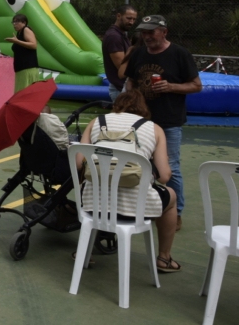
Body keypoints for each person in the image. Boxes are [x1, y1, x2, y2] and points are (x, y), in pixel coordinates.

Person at [75, 89, 180, 273]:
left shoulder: (96, 122)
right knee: (171, 196)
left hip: (94, 206)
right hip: (136, 210)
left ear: (116, 105)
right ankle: (164, 257)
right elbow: (164, 176)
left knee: (99, 188)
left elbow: (78, 162)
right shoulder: (154, 129)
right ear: (143, 108)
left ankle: (85, 251)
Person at [121, 15, 202, 231]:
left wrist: (171, 87)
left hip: (169, 121)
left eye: (151, 32)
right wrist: (131, 100)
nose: (146, 36)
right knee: (137, 164)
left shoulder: (179, 54)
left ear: (164, 32)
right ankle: (141, 207)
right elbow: (130, 81)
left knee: (171, 167)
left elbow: (196, 85)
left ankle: (176, 212)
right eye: (143, 32)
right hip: (141, 122)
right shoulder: (138, 53)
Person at [103, 5, 137, 102]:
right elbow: (122, 68)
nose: (131, 22)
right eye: (129, 18)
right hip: (120, 89)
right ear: (118, 16)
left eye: (134, 19)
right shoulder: (114, 37)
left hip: (122, 87)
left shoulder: (121, 34)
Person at [6, 13, 39, 92]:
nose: (14, 24)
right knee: (20, 94)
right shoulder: (19, 33)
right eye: (13, 22)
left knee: (25, 94)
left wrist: (17, 41)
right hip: (21, 69)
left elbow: (34, 45)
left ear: (24, 22)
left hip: (28, 68)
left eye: (17, 22)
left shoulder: (26, 29)